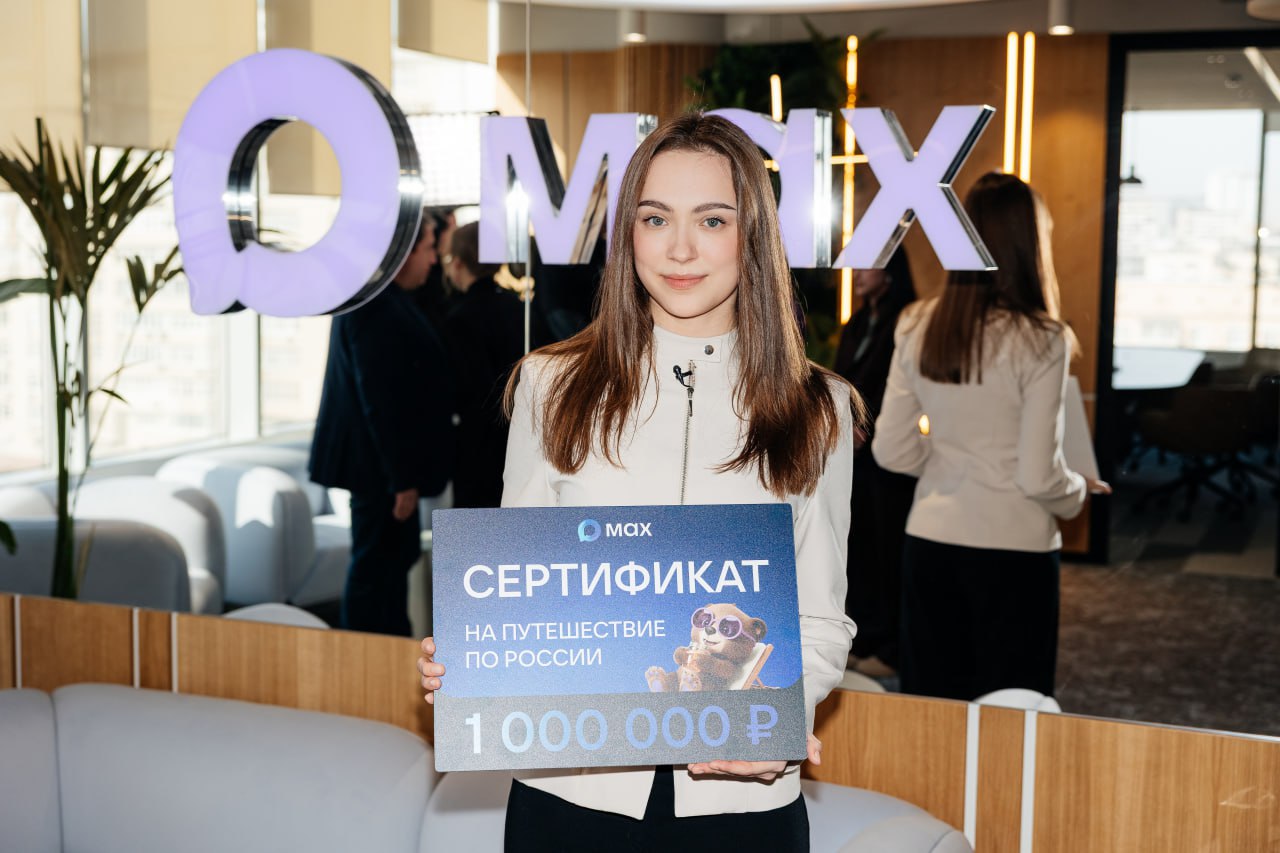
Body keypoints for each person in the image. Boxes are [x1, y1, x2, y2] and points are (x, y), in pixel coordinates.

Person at [418, 113, 860, 851]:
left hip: (739, 801)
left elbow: (819, 621)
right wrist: (471, 656)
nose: (680, 248)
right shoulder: (551, 385)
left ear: (752, 235)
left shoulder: (818, 406)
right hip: (569, 796)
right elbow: (519, 588)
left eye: (712, 220)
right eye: (655, 218)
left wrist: (779, 717)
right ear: (628, 234)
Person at [871, 172, 1110, 701]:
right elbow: (1038, 475)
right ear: (1029, 245)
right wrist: (1077, 492)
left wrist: (948, 460)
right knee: (1009, 714)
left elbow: (891, 450)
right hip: (1015, 550)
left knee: (933, 708)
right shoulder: (1043, 338)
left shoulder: (915, 323)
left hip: (930, 540)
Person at [308, 214, 455, 636]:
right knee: (375, 573)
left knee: (389, 566)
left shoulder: (383, 299)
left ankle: (387, 658)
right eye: (429, 248)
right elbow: (381, 401)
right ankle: (367, 662)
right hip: (380, 472)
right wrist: (401, 480)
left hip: (384, 470)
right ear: (403, 254)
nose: (434, 260)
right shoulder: (375, 306)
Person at [833, 249, 918, 679]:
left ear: (891, 271)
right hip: (851, 452)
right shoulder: (858, 321)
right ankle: (864, 636)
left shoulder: (905, 320)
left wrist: (866, 425)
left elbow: (896, 389)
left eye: (868, 265)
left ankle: (889, 646)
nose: (858, 274)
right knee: (859, 548)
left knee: (886, 552)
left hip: (887, 452)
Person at [441, 221, 527, 508]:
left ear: (458, 263)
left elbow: (469, 390)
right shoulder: (517, 306)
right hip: (518, 435)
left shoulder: (460, 317)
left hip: (478, 446)